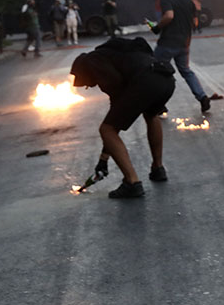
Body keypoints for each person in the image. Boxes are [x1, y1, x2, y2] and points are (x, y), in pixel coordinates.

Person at [70, 37, 176, 198]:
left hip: (145, 82)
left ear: (84, 70)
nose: (89, 86)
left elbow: (115, 113)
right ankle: (158, 169)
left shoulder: (93, 60)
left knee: (106, 129)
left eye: (86, 83)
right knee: (151, 115)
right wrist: (104, 159)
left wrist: (104, 159)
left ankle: (132, 182)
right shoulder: (115, 53)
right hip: (165, 78)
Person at [150, 0, 212, 113]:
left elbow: (169, 15)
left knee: (157, 71)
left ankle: (159, 105)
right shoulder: (188, 0)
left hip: (167, 43)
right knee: (186, 71)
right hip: (184, 43)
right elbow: (195, 22)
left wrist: (157, 27)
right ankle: (202, 97)